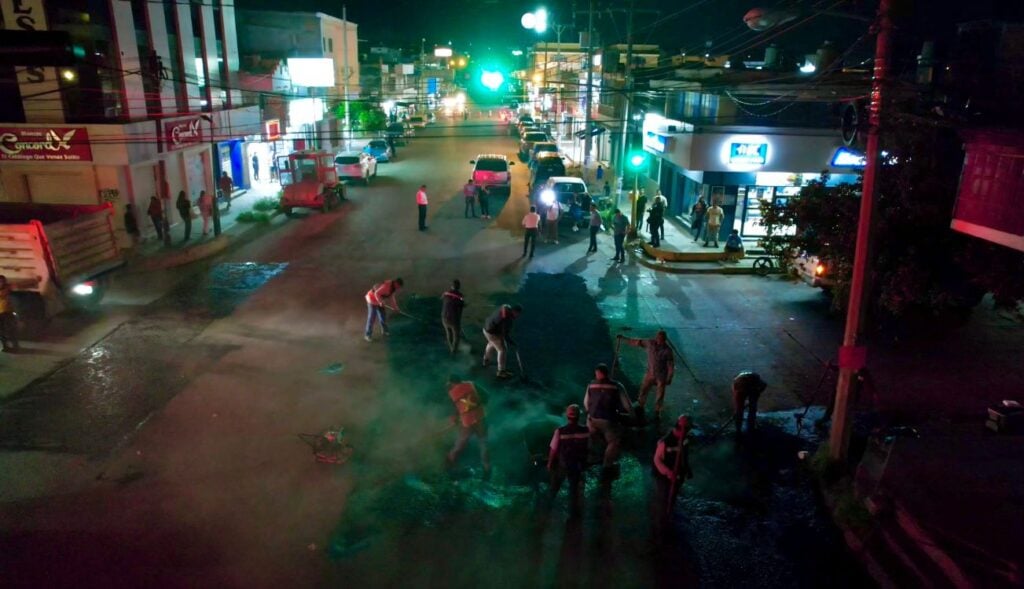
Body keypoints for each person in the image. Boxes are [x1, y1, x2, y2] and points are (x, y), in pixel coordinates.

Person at [584, 363, 632, 472]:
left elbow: (586, 403)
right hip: (608, 420)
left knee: (592, 437)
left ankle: (592, 458)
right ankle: (607, 465)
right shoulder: (617, 385)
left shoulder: (590, 385)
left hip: (591, 420)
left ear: (597, 373)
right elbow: (627, 405)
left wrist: (589, 413)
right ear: (607, 374)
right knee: (614, 441)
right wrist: (632, 416)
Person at [619, 330, 675, 419]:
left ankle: (657, 410)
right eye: (659, 338)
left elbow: (670, 365)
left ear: (665, 340)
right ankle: (640, 405)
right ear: (656, 338)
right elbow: (636, 342)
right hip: (650, 373)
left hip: (661, 375)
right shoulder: (650, 343)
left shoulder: (668, 351)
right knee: (644, 389)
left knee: (660, 395)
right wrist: (623, 338)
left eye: (662, 339)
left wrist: (670, 377)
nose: (660, 340)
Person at [547, 404, 590, 514]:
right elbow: (589, 447)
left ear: (567, 416)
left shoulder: (560, 431)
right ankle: (573, 513)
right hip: (578, 465)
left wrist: (550, 463)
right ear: (579, 416)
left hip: (563, 465)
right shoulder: (586, 431)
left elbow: (553, 449)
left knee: (554, 488)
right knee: (573, 490)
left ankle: (547, 509)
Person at [446, 376, 490, 475]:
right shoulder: (471, 384)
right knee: (483, 444)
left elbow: (455, 410)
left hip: (467, 423)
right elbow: (487, 396)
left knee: (459, 445)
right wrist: (477, 406)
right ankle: (487, 470)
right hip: (480, 418)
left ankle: (449, 466)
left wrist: (455, 419)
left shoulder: (452, 392)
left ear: (452, 383)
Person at [652, 415, 693, 515]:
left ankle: (670, 510)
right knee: (663, 498)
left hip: (677, 473)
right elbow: (657, 460)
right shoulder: (665, 442)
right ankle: (661, 517)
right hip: (663, 475)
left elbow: (683, 456)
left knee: (673, 494)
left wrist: (687, 469)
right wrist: (669, 473)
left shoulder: (684, 439)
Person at [482, 303, 522, 379]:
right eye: (518, 314)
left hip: (486, 328)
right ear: (515, 312)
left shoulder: (505, 307)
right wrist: (513, 343)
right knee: (502, 349)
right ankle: (501, 371)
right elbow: (505, 335)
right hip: (492, 332)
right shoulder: (507, 320)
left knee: (492, 343)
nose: (518, 316)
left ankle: (486, 360)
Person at [364, 277, 404, 342]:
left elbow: (392, 297)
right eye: (399, 286)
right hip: (372, 300)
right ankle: (367, 335)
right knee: (372, 318)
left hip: (380, 301)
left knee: (383, 317)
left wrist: (395, 307)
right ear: (396, 283)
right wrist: (380, 302)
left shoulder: (393, 288)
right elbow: (376, 293)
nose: (398, 288)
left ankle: (385, 331)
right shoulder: (387, 286)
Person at [441, 279, 465, 355]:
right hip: (453, 319)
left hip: (444, 317)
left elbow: (443, 300)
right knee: (456, 336)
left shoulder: (445, 293)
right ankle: (453, 352)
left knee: (448, 333)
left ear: (451, 286)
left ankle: (451, 347)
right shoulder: (460, 296)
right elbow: (460, 308)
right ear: (459, 287)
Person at [0, 275, 19, 352]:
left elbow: (20, 285)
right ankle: (5, 346)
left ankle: (15, 346)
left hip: (7, 312)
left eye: (1, 281)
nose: (0, 283)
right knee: (1, 331)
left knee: (11, 330)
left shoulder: (7, 288)